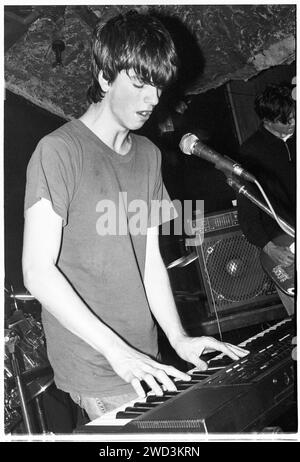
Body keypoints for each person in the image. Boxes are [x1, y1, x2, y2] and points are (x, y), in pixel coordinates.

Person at [22, 10, 248, 423]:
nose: (152, 100)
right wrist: (116, 351)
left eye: (158, 86)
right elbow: (37, 272)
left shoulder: (147, 156)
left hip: (144, 357)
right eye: (140, 84)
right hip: (96, 364)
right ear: (105, 78)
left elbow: (148, 262)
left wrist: (178, 339)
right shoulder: (58, 152)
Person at [237, 82, 295, 316]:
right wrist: (269, 247)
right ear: (268, 121)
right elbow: (247, 213)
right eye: (287, 120)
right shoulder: (251, 152)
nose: (294, 122)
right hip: (282, 244)